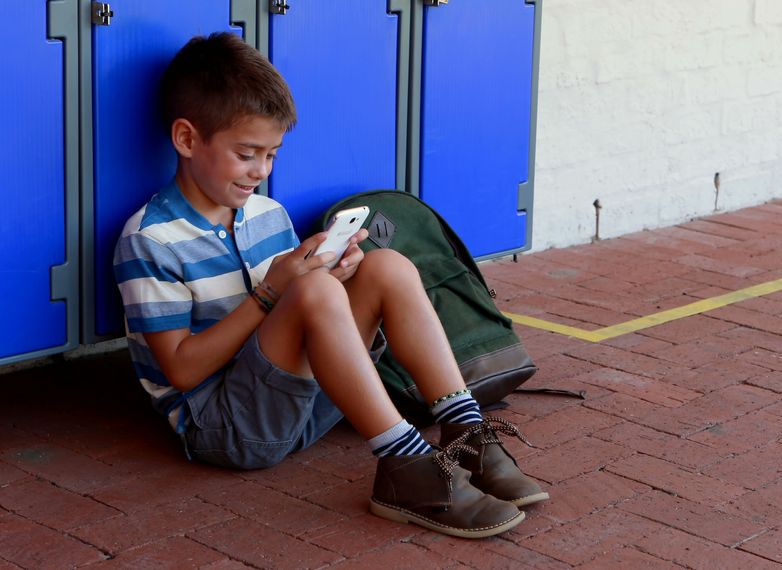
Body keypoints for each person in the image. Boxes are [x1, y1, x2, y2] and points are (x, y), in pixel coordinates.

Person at [112, 32, 547, 539]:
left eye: (272, 155)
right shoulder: (150, 240)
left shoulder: (267, 215)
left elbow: (298, 315)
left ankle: (466, 432)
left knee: (386, 266)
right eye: (247, 154)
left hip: (301, 408)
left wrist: (332, 278)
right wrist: (276, 294)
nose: (261, 171)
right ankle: (404, 465)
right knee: (313, 292)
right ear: (187, 139)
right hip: (230, 431)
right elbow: (183, 371)